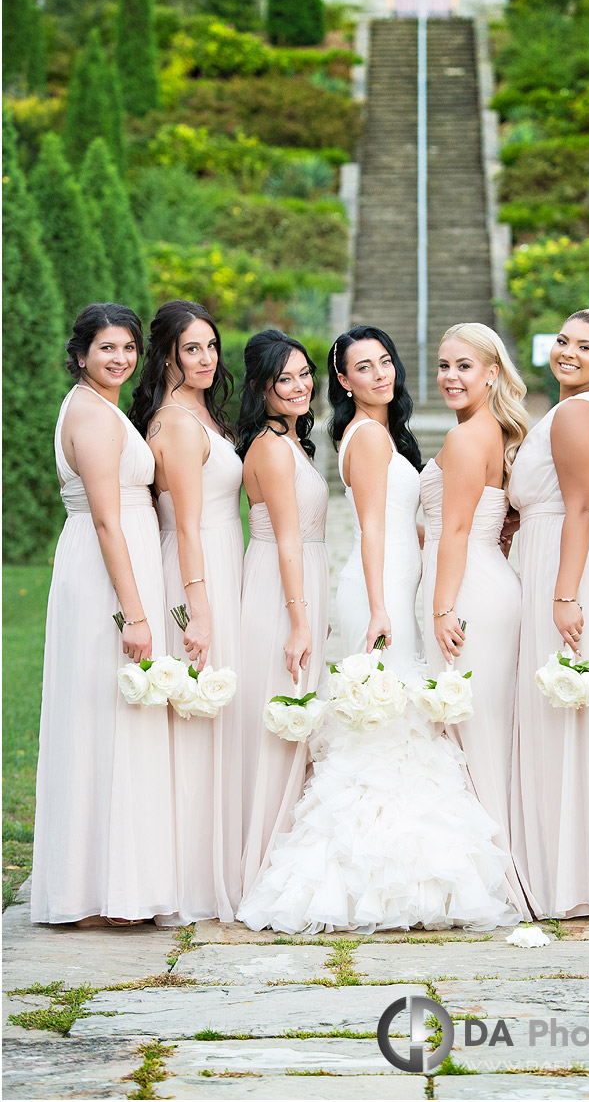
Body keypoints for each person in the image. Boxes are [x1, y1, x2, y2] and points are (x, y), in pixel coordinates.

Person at [238, 325, 518, 934]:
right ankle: (371, 874)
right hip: (378, 593)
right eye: (362, 367)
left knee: (402, 724)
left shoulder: (387, 435)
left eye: (385, 361)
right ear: (343, 381)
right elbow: (369, 528)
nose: (379, 374)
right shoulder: (365, 436)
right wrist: (381, 606)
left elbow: (403, 521)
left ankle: (409, 866)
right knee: (385, 728)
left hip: (396, 585)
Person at [31, 304, 176, 925]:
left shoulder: (101, 406)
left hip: (114, 567)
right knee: (107, 717)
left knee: (115, 718)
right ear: (82, 353)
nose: (119, 359)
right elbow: (108, 520)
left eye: (128, 348)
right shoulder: (90, 415)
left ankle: (114, 883)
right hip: (106, 575)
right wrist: (136, 615)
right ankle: (104, 893)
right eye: (106, 349)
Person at [509, 310, 589, 918]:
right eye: (562, 341)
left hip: (571, 562)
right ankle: (577, 868)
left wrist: (564, 595)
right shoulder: (573, 411)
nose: (568, 352)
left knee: (567, 709)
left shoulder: (579, 411)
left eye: (584, 347)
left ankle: (573, 876)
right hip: (565, 552)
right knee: (570, 713)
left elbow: (580, 508)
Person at [131, 300, 243, 924]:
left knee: (216, 720)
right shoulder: (174, 422)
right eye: (192, 349)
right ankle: (188, 877)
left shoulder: (202, 410)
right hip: (195, 572)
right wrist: (198, 611)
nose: (206, 359)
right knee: (196, 718)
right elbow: (190, 526)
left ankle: (218, 860)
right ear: (168, 354)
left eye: (211, 347)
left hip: (221, 563)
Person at [420, 322, 530, 916]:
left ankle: (496, 875)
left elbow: (456, 531)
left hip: (467, 592)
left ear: (492, 373)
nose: (451, 377)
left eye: (465, 366)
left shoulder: (468, 439)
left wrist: (441, 608)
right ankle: (489, 864)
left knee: (470, 725)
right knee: (475, 723)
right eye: (444, 365)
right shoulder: (488, 432)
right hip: (483, 581)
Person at [236, 331, 329, 900]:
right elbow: (289, 539)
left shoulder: (290, 440)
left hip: (297, 580)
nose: (299, 387)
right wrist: (299, 621)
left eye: (303, 374)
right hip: (280, 586)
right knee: (282, 714)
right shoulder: (271, 448)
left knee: (298, 717)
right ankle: (266, 865)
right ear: (260, 388)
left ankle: (287, 849)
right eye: (284, 379)